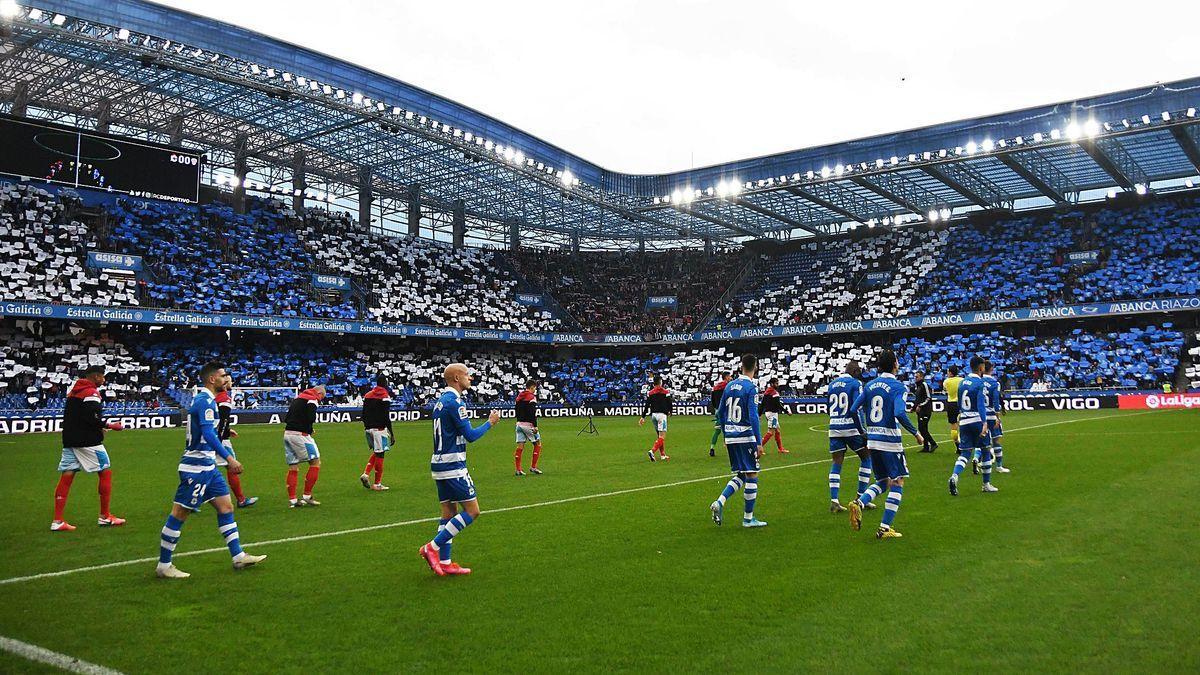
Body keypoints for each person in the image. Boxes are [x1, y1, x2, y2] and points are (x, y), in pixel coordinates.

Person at [155, 361, 266, 579]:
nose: (227, 379)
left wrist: (225, 431)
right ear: (212, 379)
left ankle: (238, 556)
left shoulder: (206, 401)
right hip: (196, 467)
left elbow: (205, 429)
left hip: (208, 466)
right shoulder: (205, 401)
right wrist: (229, 458)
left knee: (226, 507)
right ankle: (164, 565)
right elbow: (206, 433)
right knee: (179, 514)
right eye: (224, 376)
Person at [418, 363, 501, 576]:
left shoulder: (440, 402)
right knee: (473, 511)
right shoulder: (455, 402)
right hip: (453, 464)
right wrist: (490, 423)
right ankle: (432, 547)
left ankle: (445, 562)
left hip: (438, 463)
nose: (470, 378)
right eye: (467, 374)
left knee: (448, 512)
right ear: (456, 377)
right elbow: (471, 436)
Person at [847, 350, 924, 539]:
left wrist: (863, 431)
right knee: (898, 481)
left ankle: (860, 503)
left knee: (883, 481)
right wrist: (915, 432)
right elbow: (899, 412)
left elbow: (853, 409)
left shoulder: (870, 385)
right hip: (890, 441)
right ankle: (884, 528)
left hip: (873, 441)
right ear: (895, 365)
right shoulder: (898, 387)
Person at [51, 364, 125, 532]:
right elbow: (92, 417)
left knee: (67, 476)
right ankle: (105, 517)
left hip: (70, 440)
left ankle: (57, 520)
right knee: (105, 472)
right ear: (96, 376)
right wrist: (110, 425)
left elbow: (81, 417)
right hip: (88, 442)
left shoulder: (74, 391)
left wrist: (98, 425)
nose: (104, 380)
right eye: (102, 376)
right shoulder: (91, 393)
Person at [710, 354, 767, 528]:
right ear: (755, 367)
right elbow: (753, 416)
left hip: (732, 437)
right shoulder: (751, 387)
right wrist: (758, 442)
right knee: (753, 474)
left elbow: (720, 413)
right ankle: (748, 519)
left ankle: (720, 502)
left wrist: (726, 437)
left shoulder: (729, 386)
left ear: (741, 366)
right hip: (745, 436)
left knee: (742, 474)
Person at [826, 362, 874, 514]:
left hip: (834, 427)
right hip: (851, 428)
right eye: (858, 371)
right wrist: (862, 431)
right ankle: (860, 499)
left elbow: (828, 408)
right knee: (866, 458)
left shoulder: (832, 384)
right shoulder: (855, 383)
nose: (859, 374)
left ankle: (834, 501)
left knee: (836, 462)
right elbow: (856, 409)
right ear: (853, 370)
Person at [948, 356, 998, 495]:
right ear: (981, 367)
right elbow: (981, 405)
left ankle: (954, 476)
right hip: (976, 420)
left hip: (964, 420)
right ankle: (986, 484)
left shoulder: (962, 382)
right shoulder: (979, 383)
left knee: (965, 453)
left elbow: (959, 404)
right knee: (986, 450)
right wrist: (984, 423)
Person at [216, 374, 257, 507]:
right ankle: (241, 500)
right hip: (219, 440)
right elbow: (222, 421)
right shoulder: (225, 398)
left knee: (203, 468)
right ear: (226, 382)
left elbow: (216, 421)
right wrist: (220, 438)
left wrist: (228, 430)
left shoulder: (214, 397)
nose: (232, 383)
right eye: (231, 381)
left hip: (210, 436)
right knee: (232, 467)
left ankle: (190, 502)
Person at [284, 385, 326, 507]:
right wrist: (309, 428)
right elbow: (311, 417)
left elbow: (287, 418)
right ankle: (307, 495)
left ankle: (292, 500)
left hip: (287, 434)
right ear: (319, 393)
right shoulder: (312, 400)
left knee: (293, 466)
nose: (320, 400)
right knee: (315, 462)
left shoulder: (298, 398)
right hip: (300, 436)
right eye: (321, 397)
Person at [359, 375, 395, 491]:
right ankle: (377, 484)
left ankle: (366, 474)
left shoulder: (368, 395)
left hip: (368, 429)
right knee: (381, 454)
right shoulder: (385, 396)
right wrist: (391, 433)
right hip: (379, 429)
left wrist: (366, 427)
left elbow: (363, 414)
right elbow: (386, 416)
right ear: (385, 383)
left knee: (377, 451)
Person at [984, 361, 1010, 473]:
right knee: (996, 440)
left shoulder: (977, 381)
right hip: (991, 415)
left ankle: (978, 459)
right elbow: (995, 400)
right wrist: (997, 415)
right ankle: (999, 466)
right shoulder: (994, 383)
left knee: (982, 442)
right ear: (991, 369)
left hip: (979, 416)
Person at [639, 375, 672, 462]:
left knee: (659, 436)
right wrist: (670, 411)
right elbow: (669, 402)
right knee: (662, 436)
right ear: (660, 382)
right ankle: (652, 451)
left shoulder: (650, 393)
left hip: (653, 416)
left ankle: (662, 455)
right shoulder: (665, 392)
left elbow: (647, 405)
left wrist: (643, 417)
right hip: (662, 416)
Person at [514, 378, 543, 476]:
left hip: (519, 424)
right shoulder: (531, 397)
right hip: (528, 425)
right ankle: (533, 467)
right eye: (535, 388)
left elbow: (517, 411)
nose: (535, 390)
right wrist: (535, 426)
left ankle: (518, 469)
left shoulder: (519, 397)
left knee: (520, 446)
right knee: (538, 444)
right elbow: (532, 412)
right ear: (532, 387)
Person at [759, 377, 789, 454]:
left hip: (769, 413)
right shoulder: (774, 393)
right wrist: (786, 411)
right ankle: (758, 447)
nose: (777, 385)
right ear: (772, 384)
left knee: (777, 431)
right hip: (772, 414)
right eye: (776, 383)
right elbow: (778, 404)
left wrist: (759, 414)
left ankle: (780, 449)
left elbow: (763, 404)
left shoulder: (767, 392)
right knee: (770, 432)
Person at [708, 371, 733, 457]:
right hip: (726, 410)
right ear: (726, 377)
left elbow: (713, 400)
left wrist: (716, 409)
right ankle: (729, 450)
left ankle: (712, 448)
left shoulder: (715, 387)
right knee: (729, 430)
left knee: (717, 431)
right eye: (730, 376)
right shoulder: (728, 386)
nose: (731, 378)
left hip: (718, 410)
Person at [913, 370, 937, 453]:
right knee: (923, 428)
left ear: (921, 377)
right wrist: (913, 408)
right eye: (915, 377)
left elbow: (928, 397)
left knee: (922, 428)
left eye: (917, 377)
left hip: (925, 410)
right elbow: (918, 399)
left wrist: (920, 405)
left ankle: (933, 443)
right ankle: (926, 447)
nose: (915, 378)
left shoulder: (924, 385)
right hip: (920, 411)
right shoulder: (918, 386)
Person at [942, 365, 964, 447]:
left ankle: (957, 445)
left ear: (950, 373)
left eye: (948, 372)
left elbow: (945, 390)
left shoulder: (946, 381)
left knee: (953, 425)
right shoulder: (961, 380)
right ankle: (964, 442)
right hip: (961, 403)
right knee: (962, 423)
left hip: (951, 403)